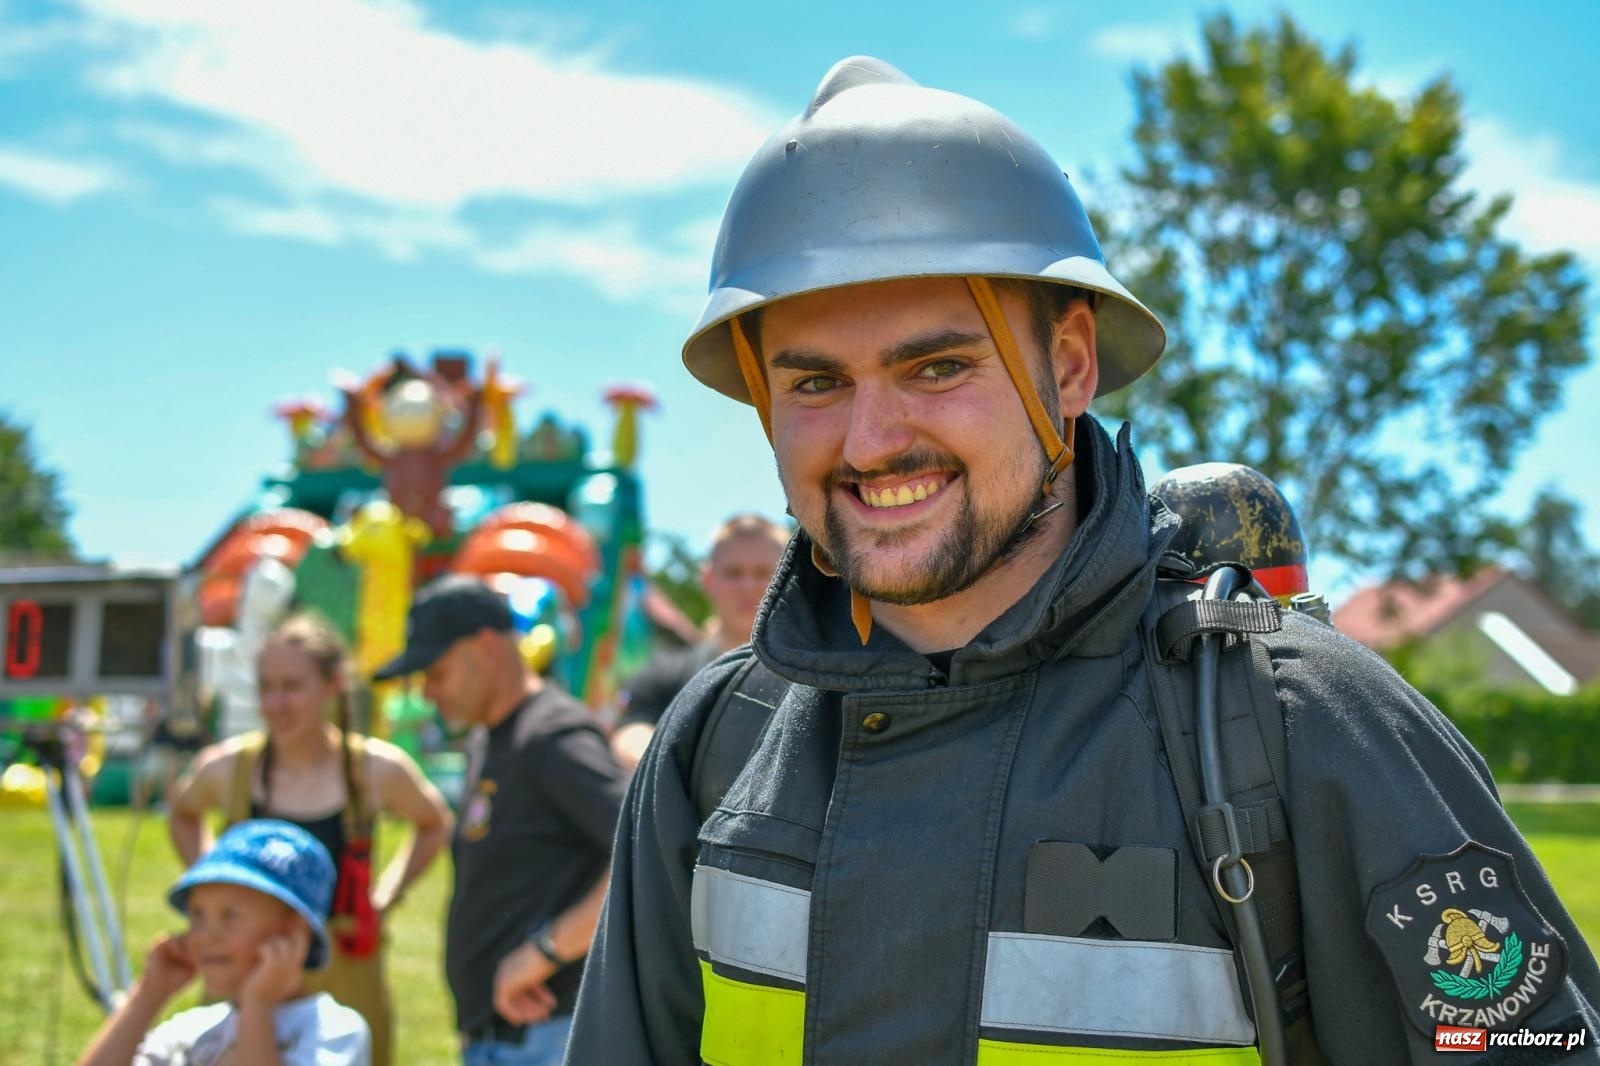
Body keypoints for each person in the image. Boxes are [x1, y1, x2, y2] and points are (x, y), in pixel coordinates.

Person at [566, 55, 1600, 1065]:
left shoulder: (1305, 730)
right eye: (815, 383)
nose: (872, 441)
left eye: (935, 367)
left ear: (1066, 365)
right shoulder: (714, 747)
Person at [167, 613, 453, 1066]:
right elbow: (183, 811)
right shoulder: (230, 768)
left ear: (334, 684)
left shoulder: (374, 770)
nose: (276, 703)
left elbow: (434, 822)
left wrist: (386, 895)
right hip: (245, 962)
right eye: (266, 687)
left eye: (292, 686)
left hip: (347, 963)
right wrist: (214, 885)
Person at [372, 575, 626, 1066]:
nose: (428, 692)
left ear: (486, 646)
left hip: (548, 1038)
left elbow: (644, 853)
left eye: (437, 671)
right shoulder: (491, 735)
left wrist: (545, 952)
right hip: (506, 1039)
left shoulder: (552, 736)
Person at [78, 819, 370, 1065]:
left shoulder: (335, 1030)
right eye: (197, 914)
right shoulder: (192, 1029)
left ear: (292, 933)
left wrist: (257, 1006)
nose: (205, 934)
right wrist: (147, 996)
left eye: (230, 916)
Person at [611, 513, 789, 770]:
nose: (748, 586)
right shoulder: (667, 674)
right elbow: (630, 729)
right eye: (733, 572)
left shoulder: (818, 675)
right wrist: (671, 769)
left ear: (787, 579)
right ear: (708, 579)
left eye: (763, 572)